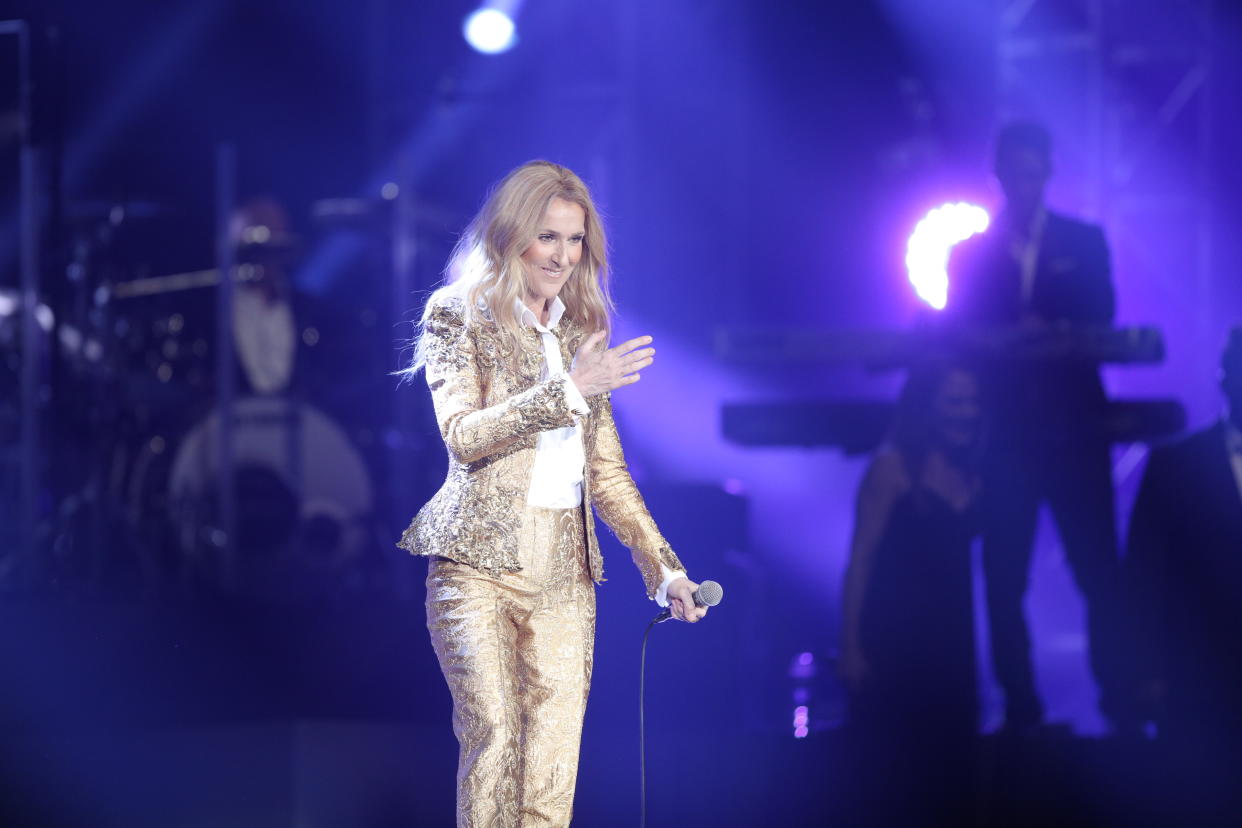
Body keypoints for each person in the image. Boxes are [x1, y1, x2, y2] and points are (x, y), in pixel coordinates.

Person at [397, 160, 708, 826]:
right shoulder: (457, 314)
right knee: (495, 739)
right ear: (512, 236)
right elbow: (463, 435)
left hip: (565, 577)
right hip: (477, 567)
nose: (562, 256)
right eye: (548, 238)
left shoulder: (580, 330)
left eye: (574, 241)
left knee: (550, 769)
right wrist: (568, 389)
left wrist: (666, 570)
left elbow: (608, 472)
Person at [946, 120, 1125, 730]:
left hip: (1077, 434)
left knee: (1099, 570)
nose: (1023, 184)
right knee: (1003, 578)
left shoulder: (1084, 241)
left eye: (1032, 171)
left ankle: (1119, 702)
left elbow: (1103, 315)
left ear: (1047, 172)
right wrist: (1015, 341)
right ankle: (1022, 708)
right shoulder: (969, 253)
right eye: (1013, 171)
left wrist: (1052, 335)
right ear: (998, 175)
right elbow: (957, 332)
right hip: (1008, 443)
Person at [840, 363, 982, 825]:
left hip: (953, 647)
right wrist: (851, 647)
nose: (967, 413)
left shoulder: (974, 471)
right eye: (955, 401)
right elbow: (859, 560)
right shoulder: (891, 469)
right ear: (927, 407)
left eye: (974, 401)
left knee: (952, 781)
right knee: (895, 782)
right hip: (895, 649)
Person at [1125, 327, 1242, 821]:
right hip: (1198, 679)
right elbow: (1143, 571)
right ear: (1226, 378)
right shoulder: (1176, 463)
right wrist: (1146, 669)